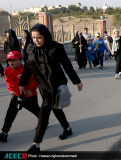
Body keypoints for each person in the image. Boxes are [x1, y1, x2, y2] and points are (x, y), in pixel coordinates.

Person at [19, 24, 83, 153]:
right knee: (54, 107)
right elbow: (28, 67)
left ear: (46, 36)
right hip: (42, 85)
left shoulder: (56, 47)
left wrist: (77, 81)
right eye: (34, 37)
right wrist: (22, 83)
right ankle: (67, 128)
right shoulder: (30, 48)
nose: (36, 40)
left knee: (44, 111)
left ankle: (36, 144)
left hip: (56, 83)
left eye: (39, 37)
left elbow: (67, 65)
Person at [0, 51, 40, 143]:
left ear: (20, 60)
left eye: (13, 60)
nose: (11, 62)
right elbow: (8, 81)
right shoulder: (7, 70)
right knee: (10, 114)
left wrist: (32, 89)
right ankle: (4, 133)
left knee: (37, 111)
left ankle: (43, 121)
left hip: (29, 96)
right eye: (9, 60)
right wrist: (11, 90)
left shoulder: (26, 69)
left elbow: (35, 80)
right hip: (16, 96)